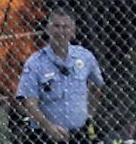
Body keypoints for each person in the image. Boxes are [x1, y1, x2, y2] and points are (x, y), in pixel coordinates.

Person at [15, 11, 103, 144]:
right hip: (45, 137)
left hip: (80, 135)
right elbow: (29, 103)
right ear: (48, 29)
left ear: (73, 31)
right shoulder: (35, 63)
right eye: (56, 26)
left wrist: (89, 116)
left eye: (66, 27)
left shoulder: (85, 57)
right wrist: (48, 127)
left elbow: (97, 86)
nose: (61, 31)